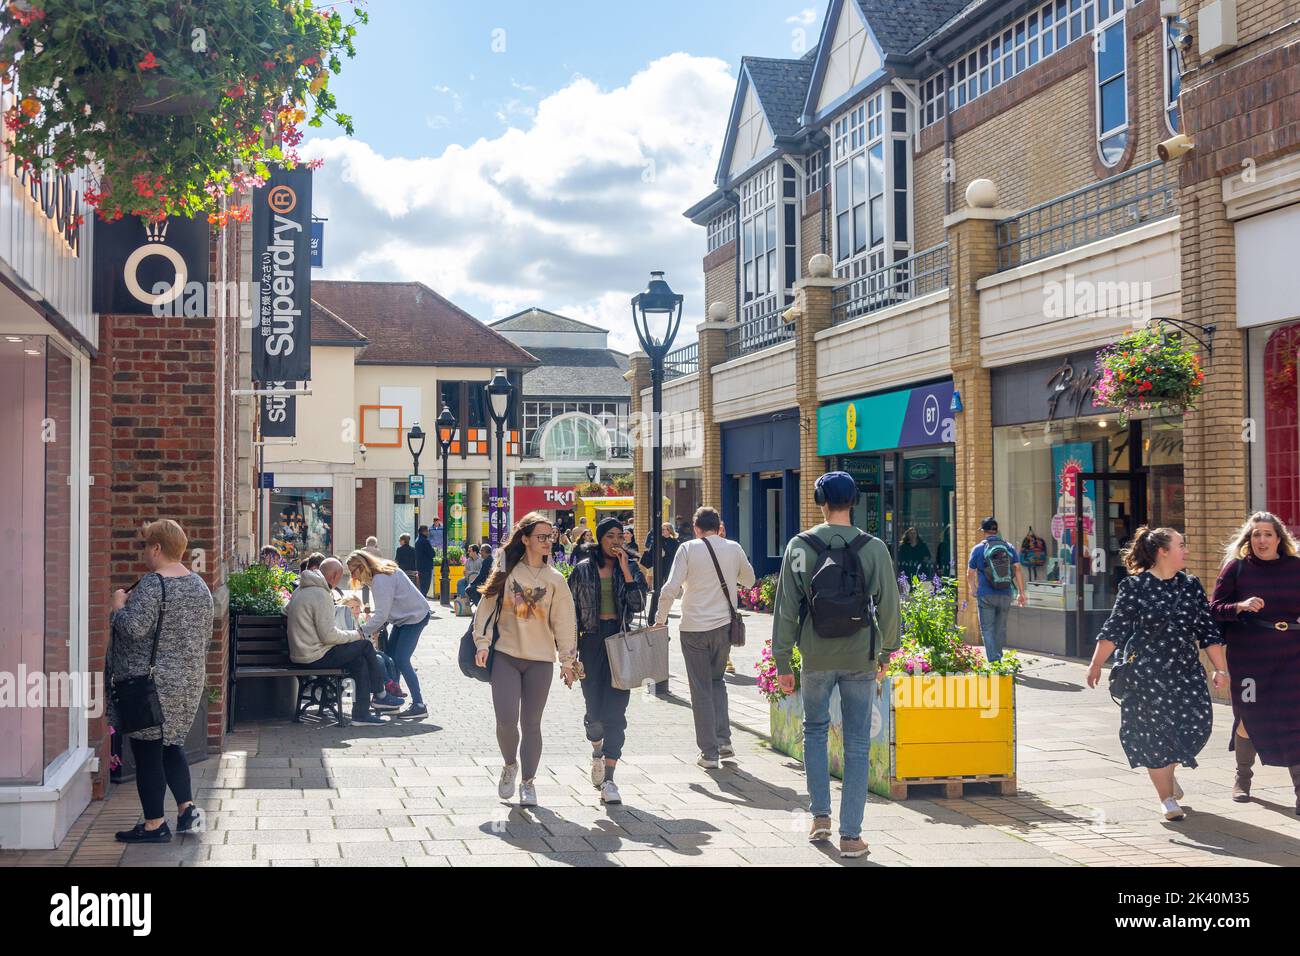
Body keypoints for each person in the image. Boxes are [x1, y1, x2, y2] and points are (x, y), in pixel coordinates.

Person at [771, 473, 901, 859]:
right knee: (858, 743)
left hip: (816, 655)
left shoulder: (800, 545)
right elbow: (890, 604)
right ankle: (851, 836)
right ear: (854, 501)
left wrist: (783, 660)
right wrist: (886, 653)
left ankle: (820, 817)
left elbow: (786, 609)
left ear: (820, 501)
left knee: (814, 731)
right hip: (859, 656)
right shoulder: (874, 547)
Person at [1087, 527, 1228, 821]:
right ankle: (1166, 798)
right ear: (1163, 551)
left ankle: (1168, 771)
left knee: (1194, 726)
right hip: (1145, 674)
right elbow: (1116, 627)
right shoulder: (1135, 586)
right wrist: (1097, 662)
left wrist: (1220, 668)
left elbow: (1207, 630)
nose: (1186, 550)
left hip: (1186, 672)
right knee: (1152, 734)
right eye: (1181, 545)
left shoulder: (1191, 586)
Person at [110, 520, 215, 843]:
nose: (143, 551)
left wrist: (118, 607)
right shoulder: (199, 586)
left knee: (146, 752)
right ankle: (186, 811)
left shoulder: (154, 584)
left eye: (145, 545)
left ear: (156, 548)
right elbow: (206, 636)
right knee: (171, 745)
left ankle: (155, 824)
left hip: (151, 685)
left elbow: (133, 629)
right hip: (188, 682)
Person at [472, 513, 578, 807]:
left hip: (540, 660)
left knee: (531, 723)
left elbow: (565, 623)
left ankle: (528, 783)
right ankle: (509, 765)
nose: (548, 542)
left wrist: (568, 663)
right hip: (506, 656)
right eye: (542, 537)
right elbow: (486, 607)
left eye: (551, 536)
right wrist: (482, 643)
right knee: (506, 720)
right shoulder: (508, 571)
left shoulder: (556, 580)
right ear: (526, 539)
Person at [1210, 512, 1300, 810]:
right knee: (1249, 716)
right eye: (1256, 534)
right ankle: (1243, 776)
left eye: (1267, 534)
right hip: (1250, 656)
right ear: (1249, 539)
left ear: (1279, 538)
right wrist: (1241, 605)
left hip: (1292, 655)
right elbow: (1214, 609)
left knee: (1293, 720)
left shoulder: (1295, 567)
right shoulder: (1237, 568)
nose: (1261, 540)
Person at [656, 506, 755, 769]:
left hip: (693, 628)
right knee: (717, 682)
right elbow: (750, 579)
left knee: (700, 688)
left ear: (696, 527)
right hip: (723, 627)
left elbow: (670, 588)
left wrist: (660, 619)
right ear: (719, 525)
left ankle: (709, 753)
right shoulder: (733, 548)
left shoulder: (687, 549)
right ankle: (724, 741)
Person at [569, 517, 648, 804]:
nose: (617, 541)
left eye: (620, 536)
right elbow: (569, 613)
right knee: (594, 712)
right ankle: (597, 751)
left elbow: (640, 604)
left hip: (620, 641)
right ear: (599, 539)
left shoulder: (630, 568)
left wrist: (627, 571)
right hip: (590, 642)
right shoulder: (582, 570)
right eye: (610, 536)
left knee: (616, 712)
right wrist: (568, 654)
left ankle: (610, 780)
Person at [286, 557, 404, 725]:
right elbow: (329, 636)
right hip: (314, 656)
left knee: (359, 660)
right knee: (364, 645)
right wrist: (356, 634)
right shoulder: (321, 595)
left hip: (300, 654)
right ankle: (380, 695)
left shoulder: (301, 590)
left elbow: (286, 610)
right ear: (334, 576)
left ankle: (361, 714)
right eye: (340, 577)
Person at [347, 549, 431, 719]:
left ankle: (419, 704)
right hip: (405, 618)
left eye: (353, 572)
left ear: (362, 566)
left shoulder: (380, 579)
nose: (354, 577)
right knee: (391, 658)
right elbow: (384, 612)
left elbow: (381, 614)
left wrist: (360, 632)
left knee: (401, 659)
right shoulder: (381, 573)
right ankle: (392, 700)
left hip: (414, 617)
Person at [966, 517, 1027, 663]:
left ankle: (994, 661)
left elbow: (970, 573)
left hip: (986, 594)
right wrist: (1021, 592)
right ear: (996, 530)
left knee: (987, 629)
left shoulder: (978, 549)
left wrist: (973, 589)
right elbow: (1017, 569)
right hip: (1006, 593)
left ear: (983, 531)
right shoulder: (1008, 547)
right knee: (1000, 629)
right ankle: (998, 657)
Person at [415, 525, 435, 598]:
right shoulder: (425, 541)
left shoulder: (417, 540)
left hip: (420, 566)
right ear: (424, 531)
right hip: (426, 567)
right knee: (425, 586)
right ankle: (423, 605)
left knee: (422, 586)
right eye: (427, 531)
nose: (428, 533)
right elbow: (432, 553)